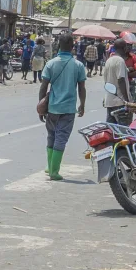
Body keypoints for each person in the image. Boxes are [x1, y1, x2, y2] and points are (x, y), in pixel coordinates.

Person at [38, 35, 87, 180]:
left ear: (58, 45)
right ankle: (54, 171)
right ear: (73, 46)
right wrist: (82, 104)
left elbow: (43, 86)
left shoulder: (51, 64)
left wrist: (41, 106)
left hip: (52, 107)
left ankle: (50, 166)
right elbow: (82, 88)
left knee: (51, 136)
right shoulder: (78, 65)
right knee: (61, 138)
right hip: (68, 108)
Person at [102, 37, 131, 123]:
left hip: (109, 100)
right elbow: (121, 80)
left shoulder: (109, 60)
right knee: (123, 130)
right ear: (124, 48)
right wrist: (126, 100)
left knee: (111, 130)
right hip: (119, 102)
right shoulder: (120, 61)